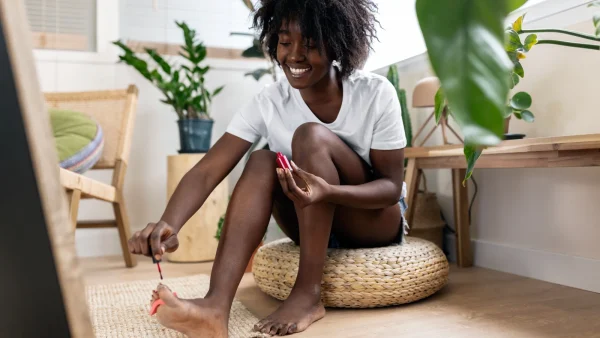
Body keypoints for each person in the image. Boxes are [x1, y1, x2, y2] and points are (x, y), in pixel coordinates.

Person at [133, 0, 408, 336]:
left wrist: (329, 191)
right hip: (308, 221)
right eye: (285, 41)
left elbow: (391, 189)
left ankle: (308, 294)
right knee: (262, 159)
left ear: (336, 43)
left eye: (310, 44)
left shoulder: (376, 94)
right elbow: (208, 169)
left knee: (309, 137)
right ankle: (215, 307)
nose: (294, 56)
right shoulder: (269, 101)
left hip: (372, 221)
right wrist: (168, 223)